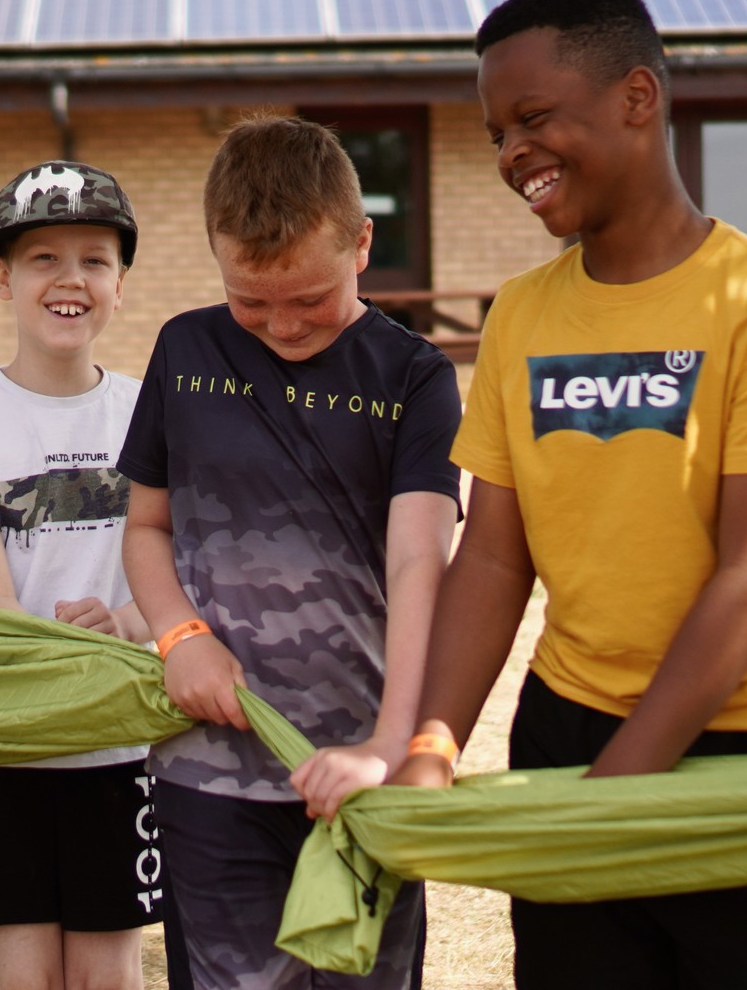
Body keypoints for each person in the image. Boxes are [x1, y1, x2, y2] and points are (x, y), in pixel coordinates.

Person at [383, 0, 747, 990]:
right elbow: (495, 558)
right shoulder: (521, 314)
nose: (513, 153)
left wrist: (617, 796)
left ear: (638, 98)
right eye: (498, 132)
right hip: (568, 733)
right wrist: (433, 738)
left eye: (535, 117)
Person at [119, 116, 462, 990]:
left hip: (360, 774)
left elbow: (422, 561)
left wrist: (391, 747)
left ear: (362, 243)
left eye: (309, 299)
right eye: (250, 300)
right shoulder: (185, 349)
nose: (282, 325)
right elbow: (146, 526)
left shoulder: (413, 376)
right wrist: (177, 635)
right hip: (207, 777)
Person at [0, 162, 174, 990]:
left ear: (121, 282)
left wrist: (130, 622)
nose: (71, 280)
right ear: (1, 278)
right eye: (41, 259)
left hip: (121, 749)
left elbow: (187, 560)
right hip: (1, 752)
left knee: (109, 978)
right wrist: (66, 641)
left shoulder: (154, 412)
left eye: (94, 259)